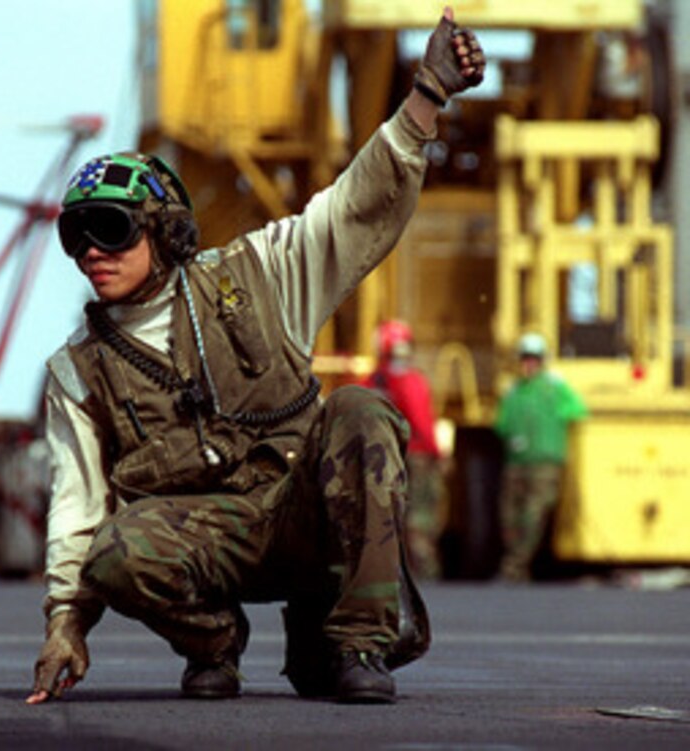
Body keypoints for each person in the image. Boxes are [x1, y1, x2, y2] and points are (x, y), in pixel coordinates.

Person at [28, 8, 484, 705]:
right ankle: (214, 643)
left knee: (363, 410)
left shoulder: (259, 275)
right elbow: (76, 506)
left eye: (111, 229)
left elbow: (355, 207)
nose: (91, 249)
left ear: (165, 233)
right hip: (204, 542)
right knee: (114, 550)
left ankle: (352, 639)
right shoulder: (77, 370)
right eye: (76, 235)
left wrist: (426, 92)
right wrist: (66, 621)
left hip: (300, 510)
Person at [493, 332, 587, 581]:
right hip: (516, 462)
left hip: (543, 464)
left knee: (533, 514)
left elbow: (577, 409)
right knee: (509, 516)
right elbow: (501, 424)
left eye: (534, 358)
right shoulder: (513, 391)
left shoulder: (554, 387)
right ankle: (516, 565)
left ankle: (514, 567)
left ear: (542, 360)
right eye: (525, 357)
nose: (529, 363)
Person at [361, 320, 445, 579]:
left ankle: (389, 569)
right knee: (421, 510)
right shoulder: (411, 380)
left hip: (381, 455)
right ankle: (426, 569)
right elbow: (422, 420)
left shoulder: (372, 381)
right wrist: (437, 453)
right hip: (417, 453)